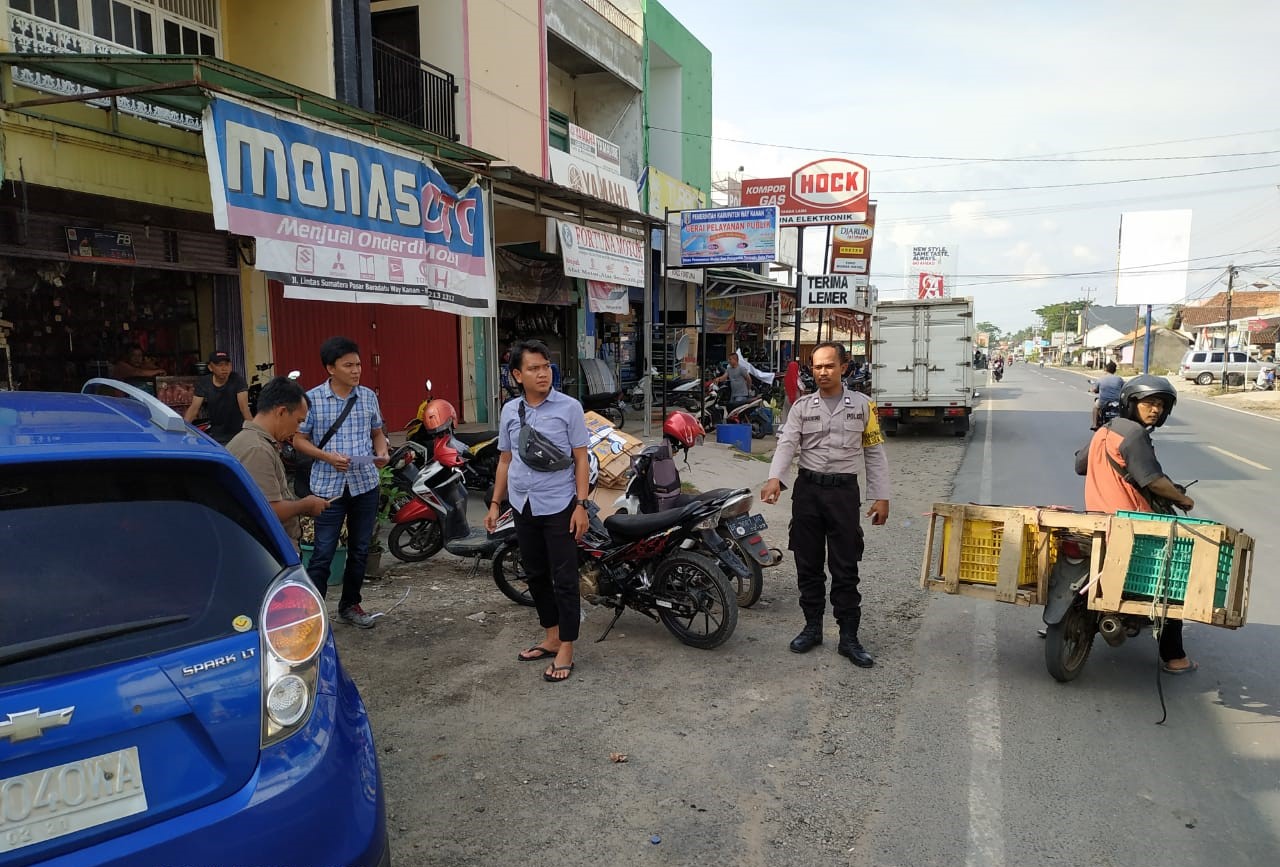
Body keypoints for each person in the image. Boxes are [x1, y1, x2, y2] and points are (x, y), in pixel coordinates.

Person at [760, 342, 891, 668]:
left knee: (845, 566)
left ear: (844, 367)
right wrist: (775, 477)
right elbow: (787, 443)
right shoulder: (802, 407)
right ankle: (812, 627)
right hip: (808, 492)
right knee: (808, 562)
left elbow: (874, 452)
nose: (822, 372)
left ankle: (849, 638)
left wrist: (881, 496)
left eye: (829, 366)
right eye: (817, 366)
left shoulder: (863, 407)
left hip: (844, 494)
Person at [1073, 375, 1196, 673]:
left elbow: (1080, 465)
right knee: (1168, 581)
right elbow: (1153, 480)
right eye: (1148, 403)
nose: (1155, 410)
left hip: (1096, 519)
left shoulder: (1105, 430)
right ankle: (1175, 657)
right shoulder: (1134, 435)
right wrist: (1183, 500)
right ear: (1131, 403)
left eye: (1160, 405)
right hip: (1132, 524)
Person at [486, 339, 591, 683]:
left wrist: (581, 505)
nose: (543, 373)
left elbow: (580, 459)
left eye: (546, 366)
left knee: (563, 578)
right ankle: (551, 636)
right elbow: (505, 460)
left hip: (560, 503)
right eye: (533, 368)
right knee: (534, 573)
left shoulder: (569, 407)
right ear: (517, 375)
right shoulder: (509, 411)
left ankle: (567, 646)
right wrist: (495, 503)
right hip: (522, 503)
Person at [292, 336, 390, 629]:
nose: (356, 370)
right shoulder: (312, 400)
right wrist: (325, 456)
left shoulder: (368, 396)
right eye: (348, 365)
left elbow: (377, 432)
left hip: (365, 484)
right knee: (323, 551)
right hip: (327, 487)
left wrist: (382, 451)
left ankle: (350, 605)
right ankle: (311, 613)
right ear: (330, 368)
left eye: (358, 364)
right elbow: (297, 439)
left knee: (360, 549)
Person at [226, 375, 330, 549]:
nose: (297, 429)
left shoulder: (255, 442)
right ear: (281, 412)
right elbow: (268, 510)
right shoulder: (256, 449)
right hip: (265, 548)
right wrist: (306, 504)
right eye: (298, 421)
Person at [184, 350, 252, 445]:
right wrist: (182, 429)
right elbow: (194, 409)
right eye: (219, 365)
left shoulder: (237, 380)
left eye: (227, 364)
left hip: (238, 434)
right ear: (210, 367)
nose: (224, 368)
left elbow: (244, 408)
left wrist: (254, 433)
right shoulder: (204, 383)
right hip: (216, 434)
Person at [1089, 360, 1125, 430]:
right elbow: (1123, 388)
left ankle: (1094, 424)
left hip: (1104, 401)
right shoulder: (1119, 379)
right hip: (1117, 402)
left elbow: (1096, 390)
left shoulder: (1101, 378)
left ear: (1106, 369)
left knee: (1096, 408)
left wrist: (1091, 390)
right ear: (1115, 370)